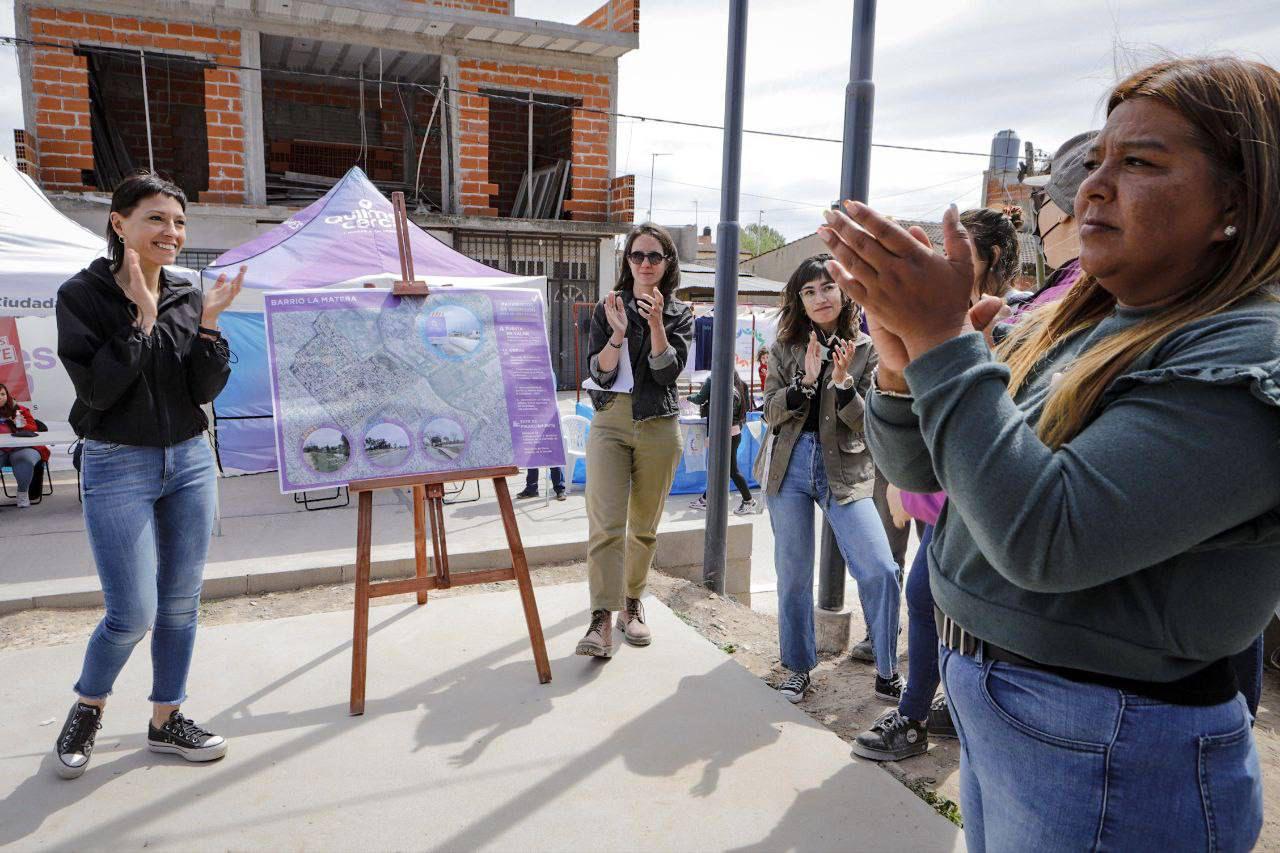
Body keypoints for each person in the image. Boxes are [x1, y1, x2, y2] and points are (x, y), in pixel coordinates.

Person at [824, 56, 1279, 851]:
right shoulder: (1085, 323)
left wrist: (940, 342)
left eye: (1138, 162)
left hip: (1114, 745)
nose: (1094, 186)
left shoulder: (1246, 354)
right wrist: (902, 368)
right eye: (1096, 160)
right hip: (1020, 720)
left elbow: (1045, 538)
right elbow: (926, 473)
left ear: (1236, 203)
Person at [51, 172, 246, 779]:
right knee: (131, 612)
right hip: (116, 462)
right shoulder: (81, 296)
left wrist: (209, 324)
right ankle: (89, 705)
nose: (172, 232)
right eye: (157, 218)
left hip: (189, 460)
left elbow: (201, 390)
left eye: (179, 221)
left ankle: (167, 720)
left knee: (181, 605)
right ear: (120, 223)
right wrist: (139, 315)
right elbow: (99, 390)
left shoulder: (189, 296)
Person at [851, 207, 1021, 761]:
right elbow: (914, 416)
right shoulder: (941, 319)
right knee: (929, 598)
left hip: (984, 495)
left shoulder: (1012, 325)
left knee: (927, 595)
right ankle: (931, 706)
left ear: (990, 259)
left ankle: (917, 713)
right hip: (942, 492)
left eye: (962, 249)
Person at [758, 255, 902, 704]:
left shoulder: (867, 346)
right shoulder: (785, 345)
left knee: (880, 568)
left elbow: (870, 424)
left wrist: (842, 384)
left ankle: (887, 667)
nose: (820, 298)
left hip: (847, 469)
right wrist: (806, 380)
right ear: (799, 301)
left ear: (843, 293)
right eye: (809, 291)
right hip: (790, 466)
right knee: (794, 574)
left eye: (827, 288)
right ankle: (798, 667)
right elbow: (770, 411)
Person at [576, 223, 693, 657]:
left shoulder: (680, 312)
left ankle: (631, 606)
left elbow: (667, 373)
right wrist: (618, 332)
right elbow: (600, 371)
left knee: (642, 528)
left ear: (667, 264)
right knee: (606, 525)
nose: (645, 263)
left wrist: (657, 322)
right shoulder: (608, 307)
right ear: (627, 261)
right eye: (637, 255)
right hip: (611, 420)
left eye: (654, 257)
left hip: (659, 424)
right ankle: (600, 622)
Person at [687, 370, 757, 514]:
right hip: (735, 432)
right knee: (720, 468)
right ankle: (706, 499)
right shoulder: (741, 385)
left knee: (730, 470)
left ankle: (749, 500)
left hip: (723, 434)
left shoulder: (716, 381)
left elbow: (702, 400)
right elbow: (746, 409)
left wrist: (713, 435)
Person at [0, 383, 49, 508]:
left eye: (3, 394)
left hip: (23, 448)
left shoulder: (19, 409)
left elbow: (34, 428)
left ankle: (22, 494)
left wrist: (19, 423)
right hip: (2, 450)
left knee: (23, 460)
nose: (1, 397)